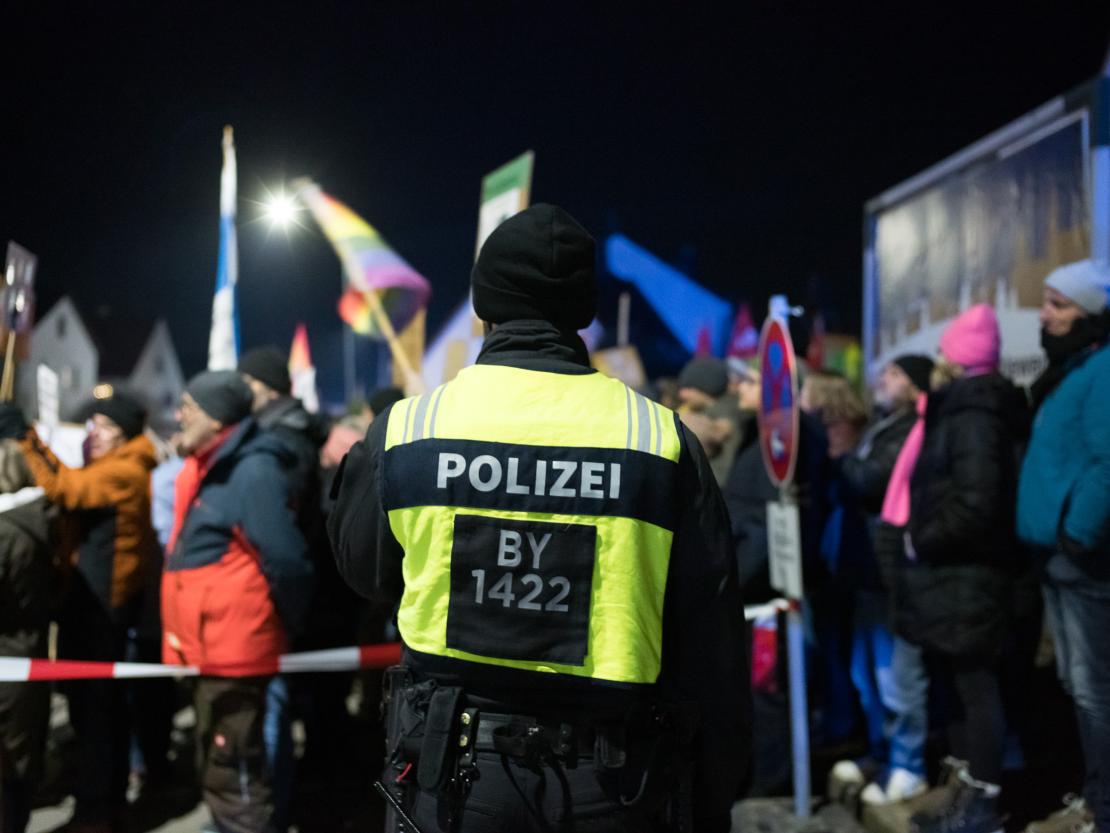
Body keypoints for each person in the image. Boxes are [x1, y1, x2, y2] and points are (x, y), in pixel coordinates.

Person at [329, 203, 751, 832]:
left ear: (483, 305)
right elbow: (710, 634)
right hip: (613, 781)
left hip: (452, 772)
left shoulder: (410, 429)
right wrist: (715, 792)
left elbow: (364, 571)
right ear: (582, 309)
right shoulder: (658, 439)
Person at [893, 304, 1029, 833]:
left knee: (976, 686)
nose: (937, 360)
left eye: (944, 351)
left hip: (970, 574)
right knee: (959, 685)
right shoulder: (962, 408)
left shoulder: (973, 414)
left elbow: (976, 501)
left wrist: (921, 539)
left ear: (959, 358)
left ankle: (982, 806)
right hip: (955, 575)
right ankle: (963, 794)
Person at [161, 371, 315, 833]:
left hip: (236, 652)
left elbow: (287, 560)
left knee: (237, 768)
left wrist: (280, 624)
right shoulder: (212, 464)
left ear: (216, 417)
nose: (179, 415)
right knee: (222, 761)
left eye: (189, 407)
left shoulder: (252, 471)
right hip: (212, 650)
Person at [19, 389, 158, 831]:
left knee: (96, 711)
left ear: (125, 434)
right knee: (95, 708)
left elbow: (65, 489)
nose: (94, 432)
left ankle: (97, 806)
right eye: (93, 424)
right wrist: (33, 441)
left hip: (103, 608)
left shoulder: (126, 470)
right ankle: (105, 797)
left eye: (105, 426)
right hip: (90, 603)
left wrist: (23, 440)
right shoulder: (111, 465)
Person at [1017, 259, 1110, 833]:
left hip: (1080, 559)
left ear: (1090, 314)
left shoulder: (1102, 370)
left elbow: (1107, 461)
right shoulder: (1074, 370)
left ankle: (1105, 810)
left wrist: (1078, 534)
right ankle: (1095, 798)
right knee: (1078, 684)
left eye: (1060, 304)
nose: (1045, 315)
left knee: (1095, 688)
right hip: (1058, 558)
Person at [830, 356, 933, 805]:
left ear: (914, 385)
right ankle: (881, 752)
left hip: (889, 568)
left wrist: (842, 457)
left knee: (896, 675)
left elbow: (871, 480)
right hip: (867, 568)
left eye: (894, 374)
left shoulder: (911, 428)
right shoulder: (885, 424)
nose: (883, 380)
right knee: (865, 672)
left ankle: (908, 764)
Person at [238, 346, 328, 829]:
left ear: (266, 388)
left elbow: (280, 537)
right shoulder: (283, 433)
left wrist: (287, 605)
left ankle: (270, 812)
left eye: (245, 383)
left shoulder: (281, 441)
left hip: (274, 597)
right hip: (281, 594)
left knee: (272, 709)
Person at [0, 409, 56, 833]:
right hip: (27, 650)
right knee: (21, 758)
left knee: (9, 767)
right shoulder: (37, 518)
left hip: (8, 660)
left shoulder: (7, 531)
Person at [676, 356, 740, 486]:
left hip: (719, 487)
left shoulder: (726, 413)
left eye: (689, 388)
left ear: (707, 387)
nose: (682, 394)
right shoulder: (702, 411)